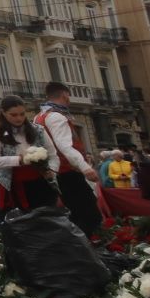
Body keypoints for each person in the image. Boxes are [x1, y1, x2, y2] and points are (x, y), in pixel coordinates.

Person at [36, 82, 103, 237]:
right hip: (68, 173)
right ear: (65, 95)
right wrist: (85, 167)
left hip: (56, 173)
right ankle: (86, 251)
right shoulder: (57, 117)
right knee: (88, 216)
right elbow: (64, 146)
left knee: (75, 215)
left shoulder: (40, 117)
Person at [0, 100, 60, 214]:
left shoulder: (38, 130)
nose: (19, 118)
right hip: (13, 186)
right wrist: (19, 160)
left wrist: (53, 170)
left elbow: (53, 155)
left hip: (42, 183)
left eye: (22, 114)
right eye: (13, 115)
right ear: (3, 113)